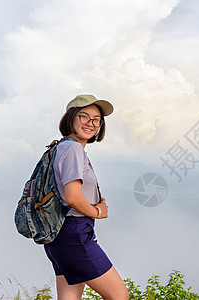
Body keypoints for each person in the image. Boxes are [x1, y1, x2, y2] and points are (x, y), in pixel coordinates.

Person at [44, 94, 129, 300]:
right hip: (75, 234)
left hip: (59, 235)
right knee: (119, 295)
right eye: (84, 116)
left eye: (96, 119)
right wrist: (97, 212)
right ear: (70, 117)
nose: (91, 123)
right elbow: (72, 197)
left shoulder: (62, 147)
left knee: (69, 298)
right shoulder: (72, 148)